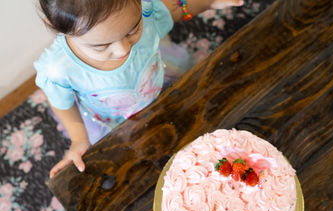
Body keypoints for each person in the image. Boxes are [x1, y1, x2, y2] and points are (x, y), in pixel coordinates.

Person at [34, 0, 244, 178]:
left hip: (157, 81)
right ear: (57, 26)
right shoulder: (57, 69)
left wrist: (208, 2)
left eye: (133, 29)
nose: (124, 49)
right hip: (112, 117)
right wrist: (79, 139)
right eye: (101, 46)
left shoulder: (146, 10)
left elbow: (177, 8)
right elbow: (62, 103)